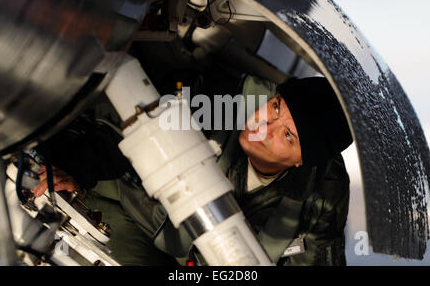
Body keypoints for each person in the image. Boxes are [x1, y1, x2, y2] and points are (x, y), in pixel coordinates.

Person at [32, 74, 352, 266]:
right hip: (133, 208)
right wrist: (74, 169)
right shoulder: (223, 100)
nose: (263, 126)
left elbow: (315, 257)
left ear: (301, 161)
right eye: (276, 107)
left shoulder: (322, 195)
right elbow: (134, 124)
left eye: (287, 135)